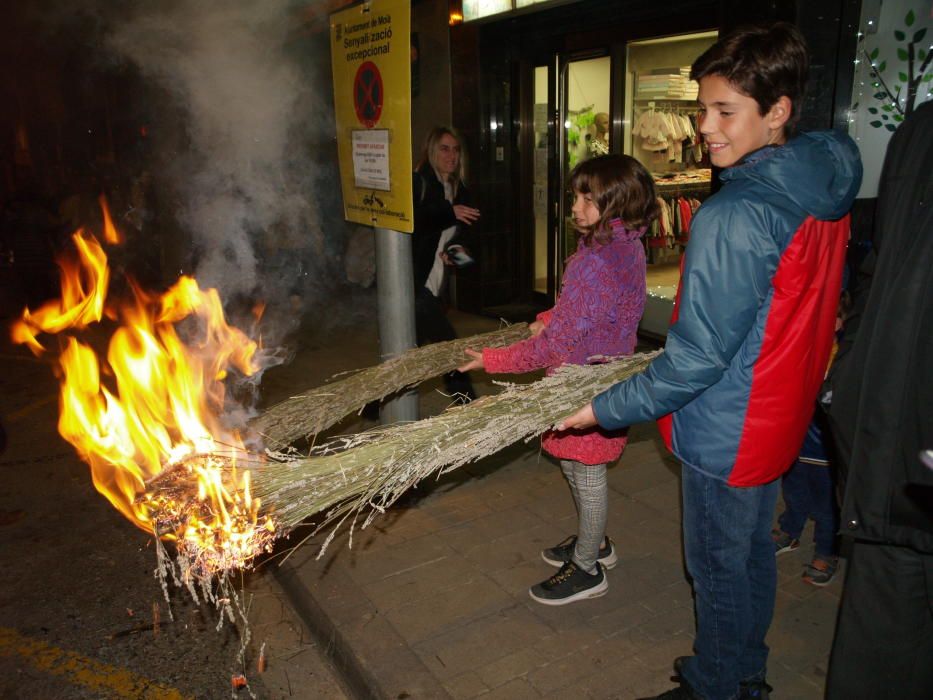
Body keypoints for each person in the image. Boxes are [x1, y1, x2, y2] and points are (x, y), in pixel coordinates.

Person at [556, 23, 861, 700]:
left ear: (776, 111)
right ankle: (744, 671)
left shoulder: (735, 213)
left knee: (717, 568)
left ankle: (717, 685)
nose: (704, 128)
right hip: (778, 411)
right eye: (702, 109)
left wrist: (600, 409)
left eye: (725, 112)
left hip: (727, 424)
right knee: (749, 555)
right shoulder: (822, 187)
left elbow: (693, 361)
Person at [459, 154, 657, 605]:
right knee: (574, 464)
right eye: (576, 195)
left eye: (588, 198)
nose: (576, 206)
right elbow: (589, 311)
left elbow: (552, 347)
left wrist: (493, 360)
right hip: (599, 374)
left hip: (585, 383)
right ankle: (596, 542)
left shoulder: (597, 261)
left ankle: (588, 568)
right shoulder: (623, 245)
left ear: (617, 204)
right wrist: (548, 317)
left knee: (586, 474)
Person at [824, 100, 933, 699]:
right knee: (876, 660)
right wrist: (851, 374)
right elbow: (882, 265)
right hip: (891, 467)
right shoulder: (920, 129)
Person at [412, 126, 481, 402]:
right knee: (450, 347)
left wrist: (454, 255)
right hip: (415, 284)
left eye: (456, 149)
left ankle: (372, 407)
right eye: (444, 148)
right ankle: (469, 403)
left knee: (404, 352)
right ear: (431, 151)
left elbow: (466, 243)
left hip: (435, 283)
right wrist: (447, 212)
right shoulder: (419, 183)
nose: (451, 155)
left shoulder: (458, 190)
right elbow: (413, 224)